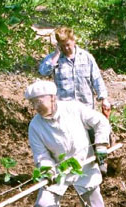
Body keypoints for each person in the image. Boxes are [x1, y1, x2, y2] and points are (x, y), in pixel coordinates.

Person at [25, 80, 111, 207]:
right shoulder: (35, 126)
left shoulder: (73, 108)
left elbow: (100, 122)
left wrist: (101, 144)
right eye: (32, 102)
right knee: (43, 204)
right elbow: (41, 154)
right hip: (59, 169)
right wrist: (47, 169)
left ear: (51, 98)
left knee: (93, 202)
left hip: (83, 162)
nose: (36, 106)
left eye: (38, 101)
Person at [39, 27, 112, 173]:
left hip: (85, 106)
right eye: (63, 45)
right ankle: (70, 168)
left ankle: (101, 163)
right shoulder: (55, 59)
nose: (66, 48)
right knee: (68, 140)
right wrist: (55, 55)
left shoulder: (86, 57)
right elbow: (43, 71)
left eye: (68, 44)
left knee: (94, 133)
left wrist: (104, 98)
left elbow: (97, 79)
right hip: (66, 110)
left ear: (74, 41)